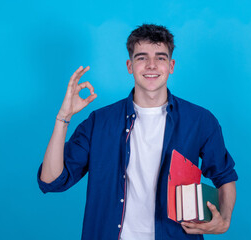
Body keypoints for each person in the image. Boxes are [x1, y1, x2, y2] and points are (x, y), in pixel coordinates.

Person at [37, 24, 238, 240]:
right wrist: (63, 117)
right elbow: (51, 180)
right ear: (129, 66)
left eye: (160, 58)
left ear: (171, 66)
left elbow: (224, 175)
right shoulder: (99, 122)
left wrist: (224, 220)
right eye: (142, 57)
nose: (151, 65)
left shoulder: (199, 120)